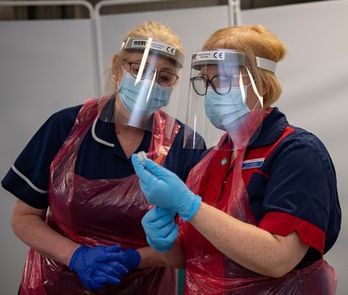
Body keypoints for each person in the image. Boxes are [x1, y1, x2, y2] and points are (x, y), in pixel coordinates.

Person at [132, 25, 341, 294]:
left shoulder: (297, 153)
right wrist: (166, 243)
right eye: (206, 82)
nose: (210, 92)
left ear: (262, 85)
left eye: (222, 79)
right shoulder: (209, 161)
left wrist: (189, 205)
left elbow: (278, 259)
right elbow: (193, 257)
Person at [1, 21, 205, 294]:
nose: (150, 83)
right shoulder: (66, 128)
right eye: (139, 69)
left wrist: (134, 259)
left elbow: (193, 242)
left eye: (164, 77)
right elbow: (24, 217)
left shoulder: (185, 145)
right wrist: (76, 256)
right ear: (118, 67)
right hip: (55, 285)